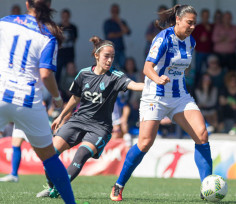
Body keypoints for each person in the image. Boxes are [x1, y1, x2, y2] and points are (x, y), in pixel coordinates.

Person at [110, 5, 212, 201]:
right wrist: (157, 79)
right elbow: (147, 68)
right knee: (145, 142)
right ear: (178, 20)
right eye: (189, 22)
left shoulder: (191, 41)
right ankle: (119, 184)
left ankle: (207, 187)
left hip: (179, 95)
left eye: (194, 23)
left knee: (202, 134)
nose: (192, 27)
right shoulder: (163, 38)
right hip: (155, 95)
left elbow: (183, 68)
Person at [36, 36, 144, 198]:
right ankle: (54, 186)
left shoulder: (115, 76)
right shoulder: (84, 74)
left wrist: (153, 84)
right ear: (97, 56)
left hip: (100, 128)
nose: (109, 60)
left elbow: (134, 85)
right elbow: (75, 98)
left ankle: (58, 190)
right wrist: (62, 116)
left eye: (112, 57)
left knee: (80, 155)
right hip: (78, 121)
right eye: (106, 56)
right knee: (50, 154)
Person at [0, 0, 75, 203]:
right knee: (50, 157)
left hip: (1, 94)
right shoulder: (48, 34)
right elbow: (45, 74)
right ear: (49, 4)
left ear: (26, 3)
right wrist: (58, 99)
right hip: (28, 101)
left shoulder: (5, 22)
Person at [104, 4, 131, 69]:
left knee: (123, 68)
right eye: (114, 11)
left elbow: (127, 32)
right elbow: (110, 35)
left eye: (116, 11)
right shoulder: (108, 22)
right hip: (110, 49)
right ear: (111, 11)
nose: (115, 13)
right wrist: (122, 33)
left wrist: (119, 22)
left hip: (120, 48)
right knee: (110, 68)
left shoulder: (122, 21)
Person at [191, 9, 214, 85]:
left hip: (209, 52)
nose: (205, 18)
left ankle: (209, 87)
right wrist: (199, 39)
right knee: (198, 71)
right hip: (199, 52)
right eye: (204, 16)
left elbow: (215, 39)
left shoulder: (212, 26)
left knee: (210, 71)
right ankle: (197, 88)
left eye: (207, 16)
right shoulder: (197, 27)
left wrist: (209, 31)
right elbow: (192, 39)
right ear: (201, 17)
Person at [56, 9, 78, 85]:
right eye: (63, 16)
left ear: (69, 16)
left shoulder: (73, 27)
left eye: (66, 16)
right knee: (58, 73)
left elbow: (75, 39)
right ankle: (58, 91)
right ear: (61, 16)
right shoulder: (58, 27)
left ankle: (71, 90)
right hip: (60, 54)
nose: (65, 18)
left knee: (71, 74)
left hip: (70, 54)